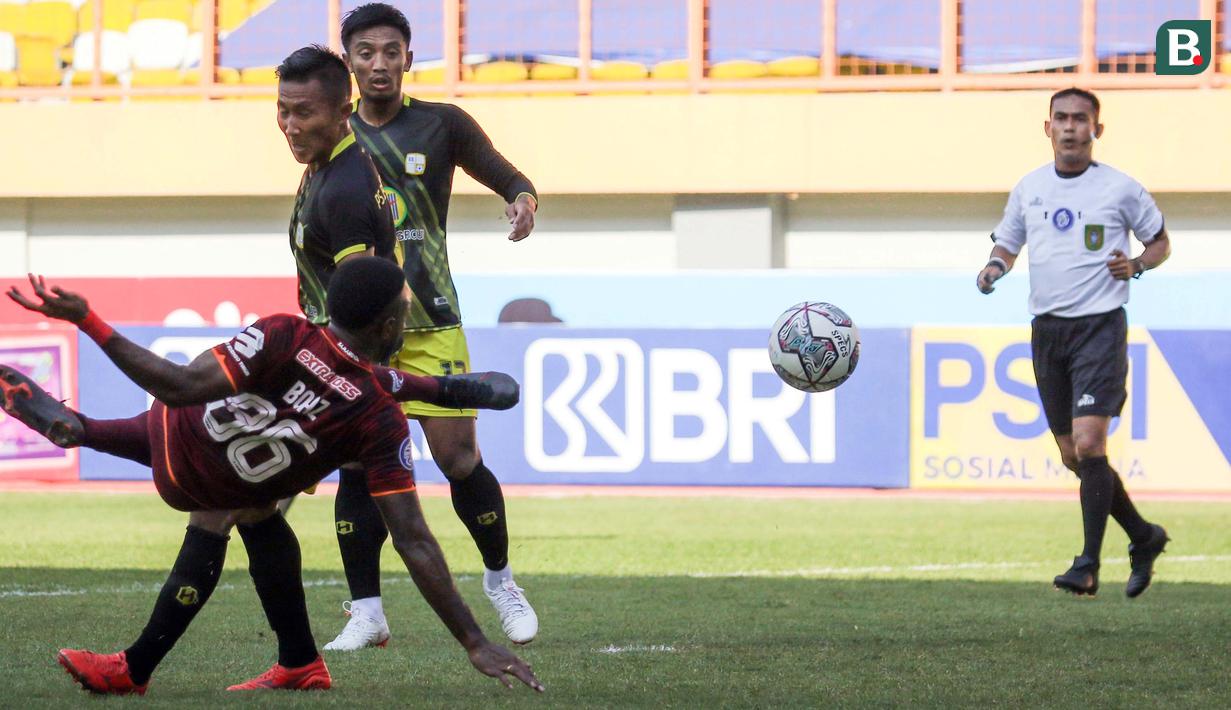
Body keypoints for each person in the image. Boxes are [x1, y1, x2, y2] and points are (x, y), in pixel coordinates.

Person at [2, 259, 542, 695]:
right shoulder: (379, 419)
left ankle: (299, 661)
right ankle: (137, 668)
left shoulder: (286, 332)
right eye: (403, 311)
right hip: (217, 481)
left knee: (255, 512)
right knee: (243, 509)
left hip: (182, 432)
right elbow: (414, 540)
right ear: (389, 326)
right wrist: (473, 640)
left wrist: (89, 320)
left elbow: (181, 385)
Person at [318, 2, 541, 650]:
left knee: (457, 458)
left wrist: (522, 201)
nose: (379, 63)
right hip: (359, 332)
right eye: (366, 53)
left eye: (391, 51)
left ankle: (500, 582)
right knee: (361, 464)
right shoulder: (333, 141)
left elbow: (506, 174)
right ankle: (366, 612)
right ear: (349, 63)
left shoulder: (440, 125)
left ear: (408, 58)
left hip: (431, 321)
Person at [976, 87, 1171, 598]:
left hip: (1100, 327)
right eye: (1060, 118)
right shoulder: (1029, 188)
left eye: (1080, 119)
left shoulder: (1121, 189)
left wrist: (1138, 264)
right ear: (1047, 128)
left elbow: (1160, 242)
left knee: (1089, 443)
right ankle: (1144, 536)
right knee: (1072, 455)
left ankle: (1087, 564)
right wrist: (995, 266)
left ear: (1096, 130)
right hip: (1048, 332)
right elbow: (1009, 240)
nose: (1069, 127)